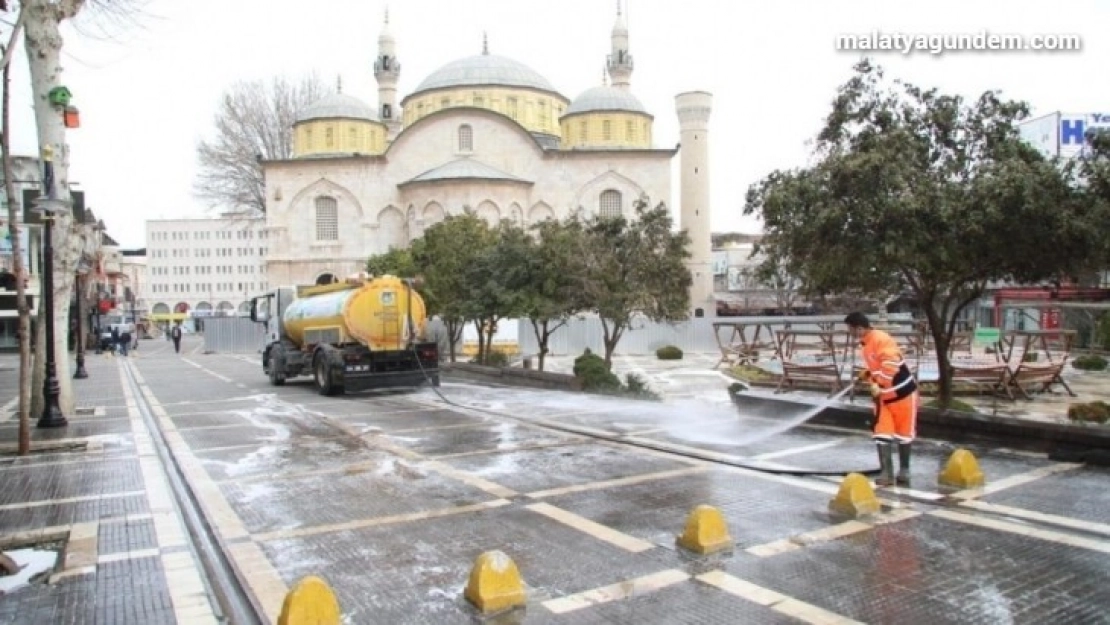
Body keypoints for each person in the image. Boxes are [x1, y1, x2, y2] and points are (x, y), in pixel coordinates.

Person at [845, 312, 919, 487]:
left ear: (859, 328)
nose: (850, 334)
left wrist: (881, 383)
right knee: (881, 433)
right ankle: (886, 473)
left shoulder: (880, 339)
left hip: (903, 395)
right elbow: (878, 365)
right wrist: (869, 374)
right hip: (884, 398)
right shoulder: (866, 344)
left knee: (904, 435)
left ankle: (904, 471)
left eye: (850, 330)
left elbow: (891, 364)